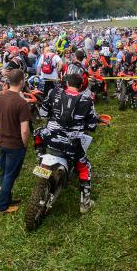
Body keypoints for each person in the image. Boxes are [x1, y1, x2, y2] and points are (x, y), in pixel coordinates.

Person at [40, 69, 100, 213]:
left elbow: (42, 113)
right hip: (71, 144)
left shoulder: (54, 92)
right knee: (85, 167)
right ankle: (85, 204)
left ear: (66, 83)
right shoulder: (87, 100)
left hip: (49, 138)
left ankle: (39, 157)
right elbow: (92, 125)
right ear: (81, 86)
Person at [0, 68, 32, 214]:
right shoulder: (21, 103)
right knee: (10, 175)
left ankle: (7, 198)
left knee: (5, 172)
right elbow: (24, 130)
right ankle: (2, 206)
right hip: (15, 145)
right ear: (21, 82)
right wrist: (25, 144)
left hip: (2, 141)